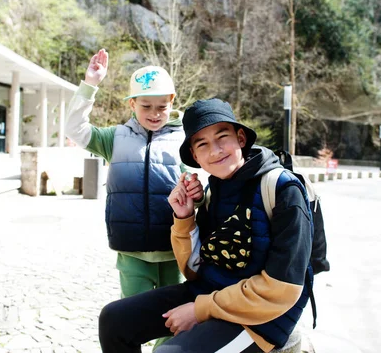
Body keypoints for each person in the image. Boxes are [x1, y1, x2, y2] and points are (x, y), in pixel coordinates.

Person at [98, 98, 314, 353]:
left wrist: (199, 310)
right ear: (195, 157)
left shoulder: (282, 190)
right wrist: (184, 217)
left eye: (222, 137)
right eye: (202, 144)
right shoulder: (216, 191)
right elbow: (194, 270)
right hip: (211, 292)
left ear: (241, 138)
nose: (215, 151)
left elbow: (281, 289)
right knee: (114, 320)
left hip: (263, 317)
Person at [65, 49, 203, 300]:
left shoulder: (184, 139)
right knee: (132, 321)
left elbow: (195, 187)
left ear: (172, 101)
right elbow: (74, 129)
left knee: (171, 326)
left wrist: (198, 192)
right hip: (131, 253)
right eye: (146, 105)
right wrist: (90, 84)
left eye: (162, 106)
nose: (154, 113)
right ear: (132, 103)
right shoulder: (113, 138)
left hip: (174, 250)